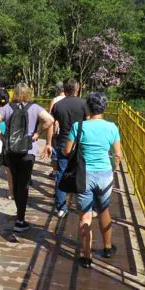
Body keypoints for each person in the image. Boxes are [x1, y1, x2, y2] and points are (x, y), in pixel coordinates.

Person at [63, 92, 123, 268]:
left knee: (85, 215)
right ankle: (107, 248)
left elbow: (67, 151)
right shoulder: (112, 127)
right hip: (105, 174)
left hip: (84, 175)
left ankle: (87, 256)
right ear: (104, 107)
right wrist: (114, 168)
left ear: (87, 107)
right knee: (104, 210)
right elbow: (118, 154)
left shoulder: (78, 126)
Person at [0, 83, 54, 232]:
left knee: (16, 182)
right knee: (23, 185)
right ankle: (20, 220)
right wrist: (37, 134)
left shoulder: (8, 108)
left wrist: (2, 136)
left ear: (15, 93)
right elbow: (50, 120)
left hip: (11, 150)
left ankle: (19, 214)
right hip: (28, 151)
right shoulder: (35, 108)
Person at [50, 78, 87, 218]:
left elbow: (52, 124)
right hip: (80, 144)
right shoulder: (84, 104)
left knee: (61, 173)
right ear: (77, 89)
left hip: (63, 143)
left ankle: (61, 207)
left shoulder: (58, 105)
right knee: (82, 173)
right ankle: (84, 206)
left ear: (64, 90)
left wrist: (48, 143)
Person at [48, 82, 65, 180]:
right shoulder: (69, 99)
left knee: (55, 151)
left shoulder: (54, 100)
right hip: (67, 130)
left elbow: (50, 117)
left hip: (56, 129)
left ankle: (55, 170)